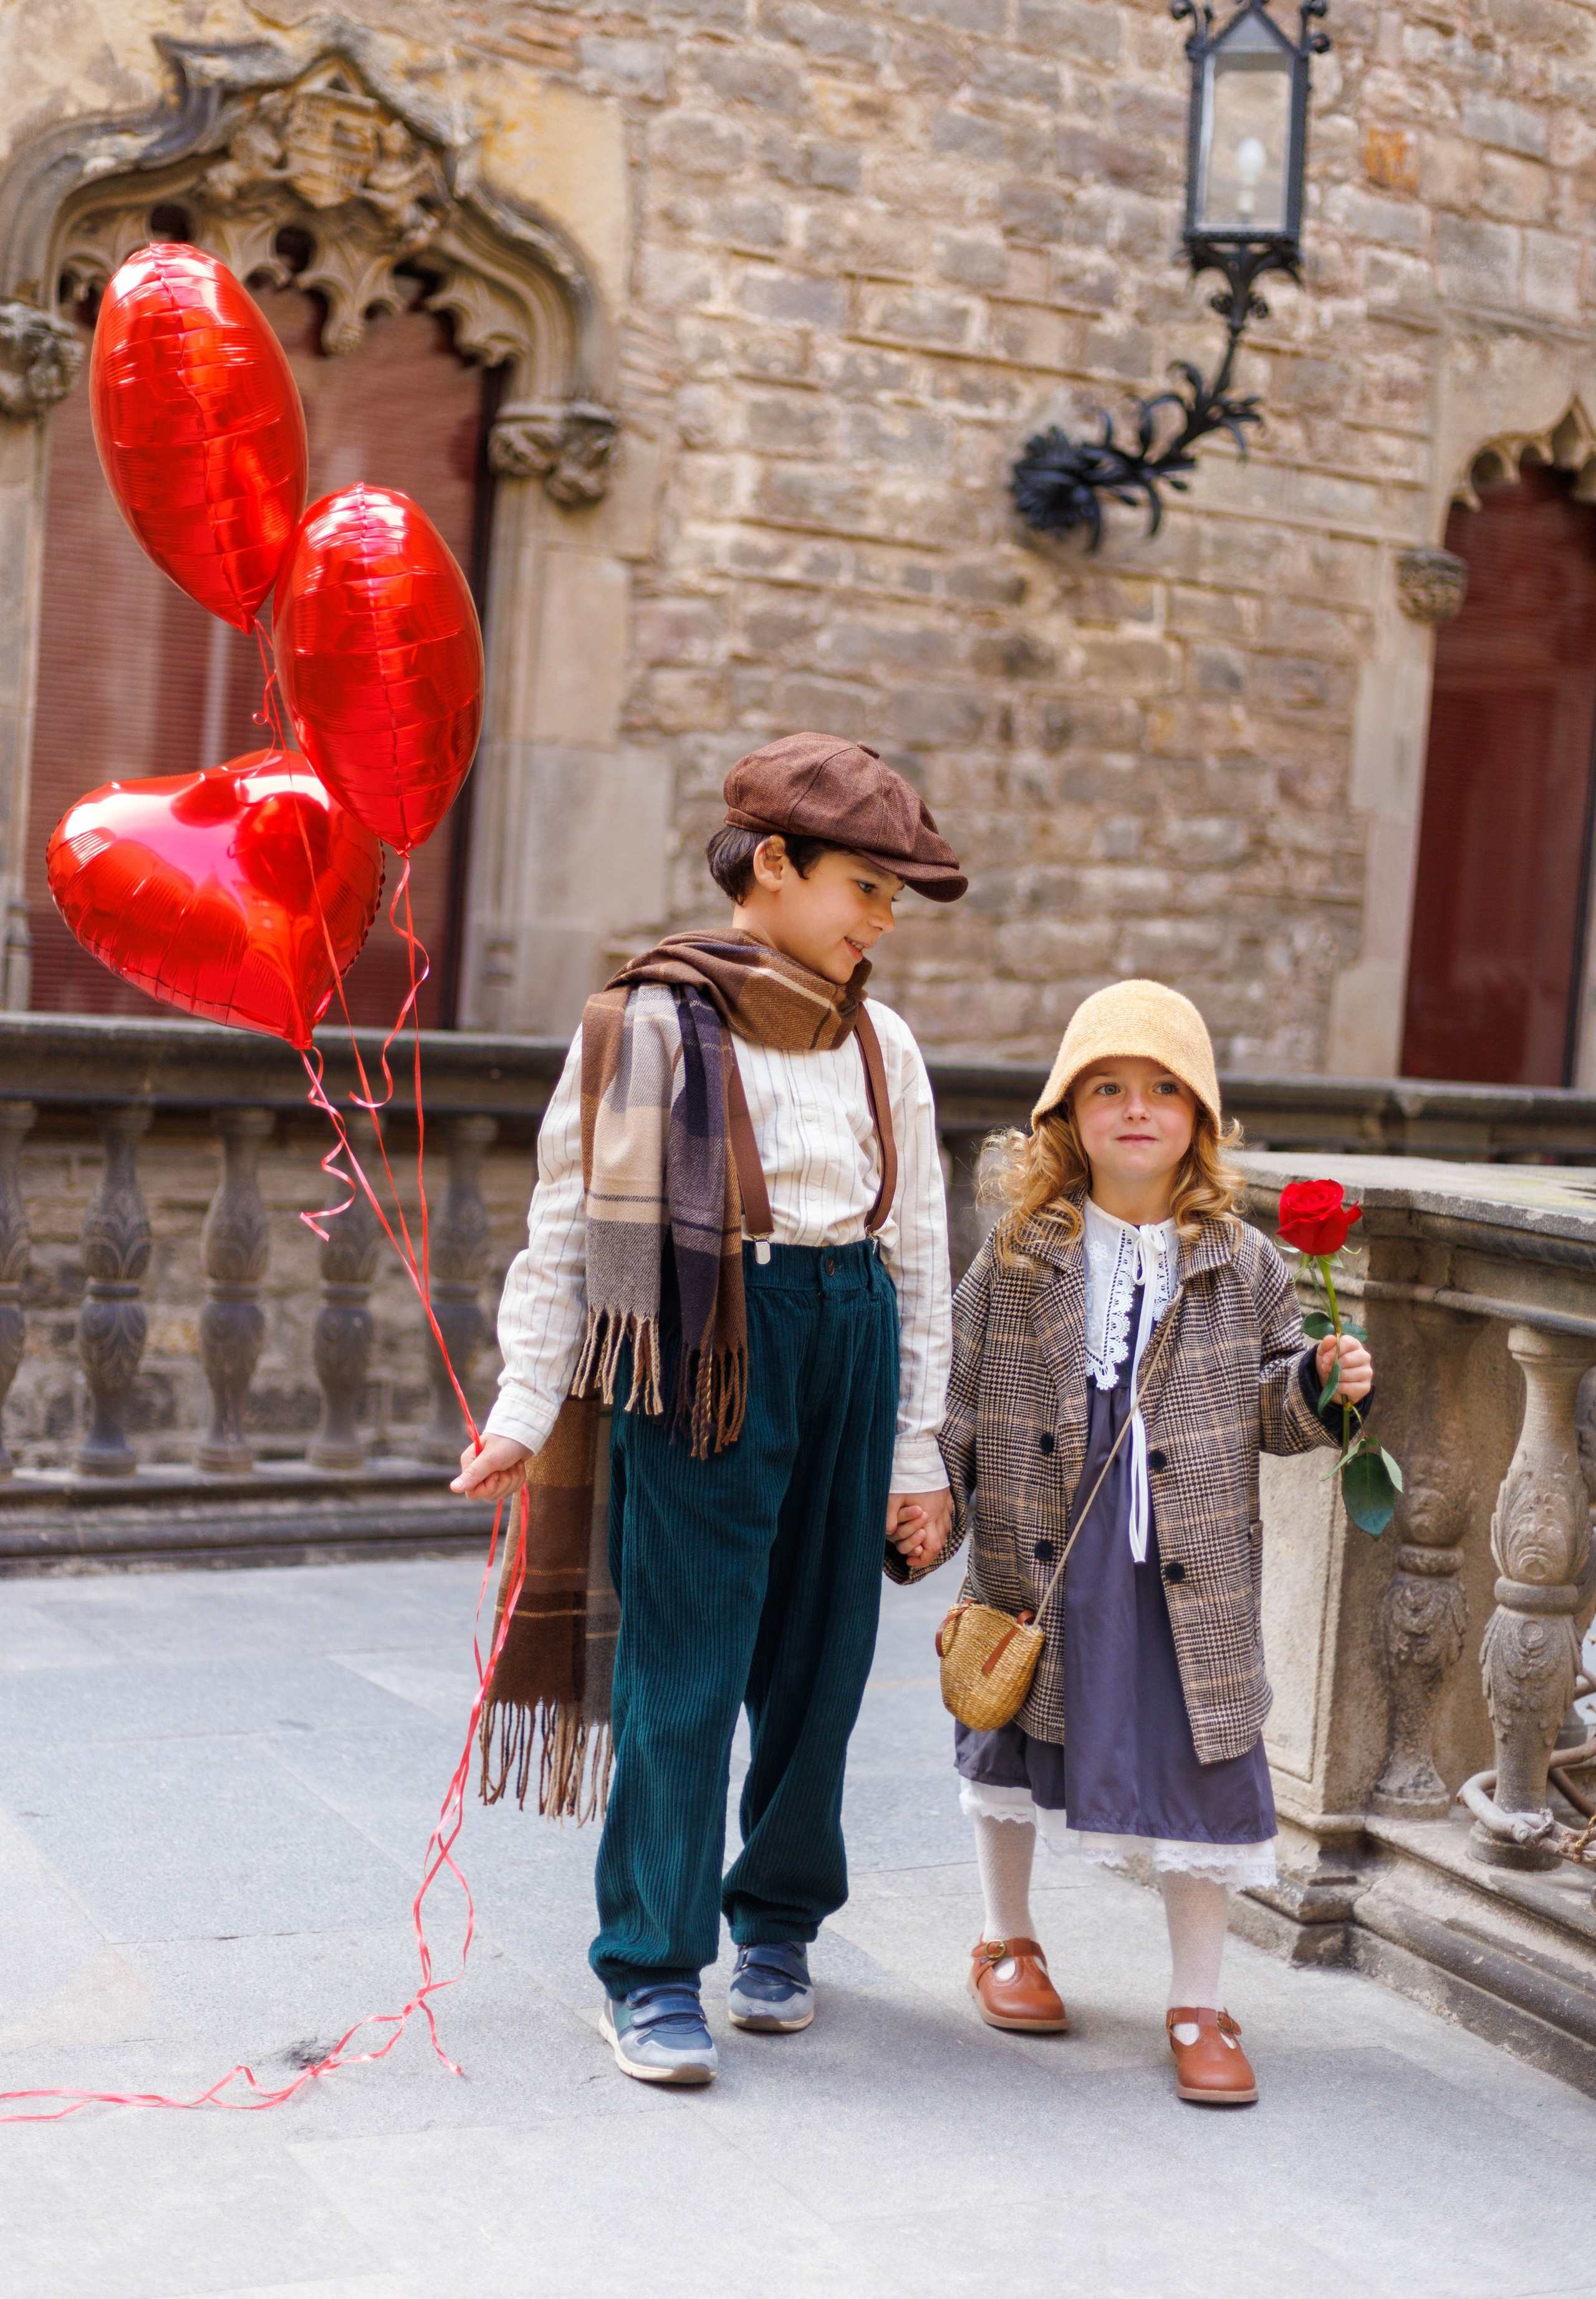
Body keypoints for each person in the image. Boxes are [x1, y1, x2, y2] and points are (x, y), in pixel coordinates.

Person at [454, 732, 964, 2086]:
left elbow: (915, 1245)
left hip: (846, 1329)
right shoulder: (645, 1023)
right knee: (681, 1665)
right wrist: (522, 1405)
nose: (877, 921)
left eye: (891, 900)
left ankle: (779, 1923)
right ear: (775, 866)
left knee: (821, 1663)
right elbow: (564, 1231)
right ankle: (651, 1967)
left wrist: (919, 1450)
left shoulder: (882, 1041)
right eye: (864, 888)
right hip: (701, 1350)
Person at [931, 979, 1373, 2106]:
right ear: (1066, 1115)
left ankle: (1198, 1999)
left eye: (1165, 1090)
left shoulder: (1247, 1261)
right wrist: (929, 1496)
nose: (1137, 1109)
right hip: (1044, 1553)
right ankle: (1005, 1937)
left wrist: (1321, 1384)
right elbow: (963, 1397)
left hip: (1186, 1567)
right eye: (1109, 1089)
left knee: (1202, 1761)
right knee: (1013, 1729)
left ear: (1202, 1119)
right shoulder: (1020, 1253)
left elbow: (1275, 1408)